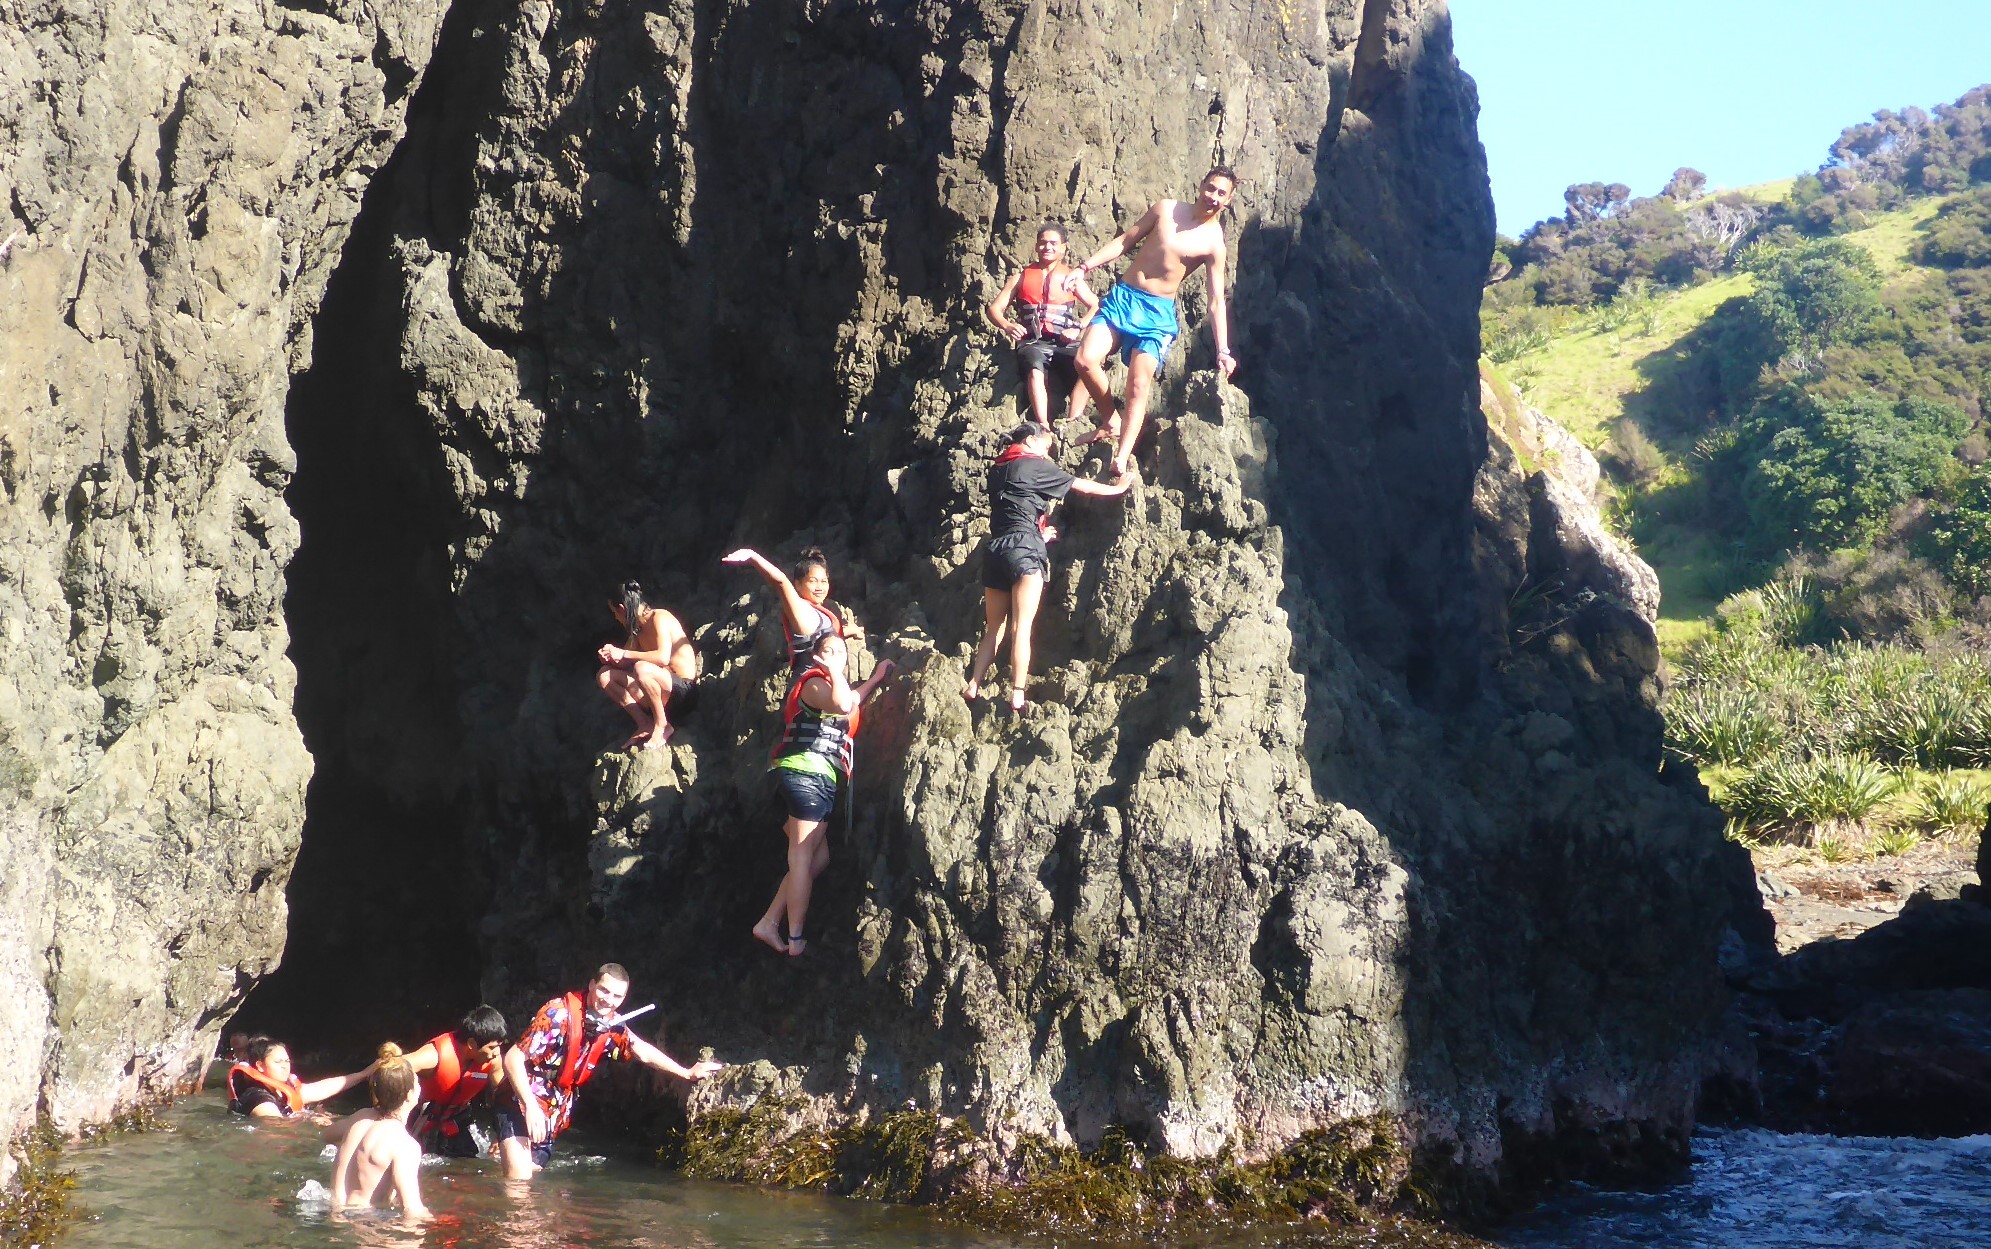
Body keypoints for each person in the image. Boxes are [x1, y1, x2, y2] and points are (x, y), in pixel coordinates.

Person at [1063, 166, 1240, 475]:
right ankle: (1111, 420)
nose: (1213, 197)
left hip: (1157, 314)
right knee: (1085, 359)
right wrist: (1084, 267)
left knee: (1138, 383)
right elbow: (1125, 241)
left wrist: (1223, 350)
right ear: (1201, 185)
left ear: (1229, 199)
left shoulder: (1214, 243)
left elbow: (1215, 301)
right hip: (1124, 298)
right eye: (1210, 188)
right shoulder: (1166, 209)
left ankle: (1122, 455)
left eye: (1221, 193)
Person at [963, 425, 1132, 712]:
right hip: (1025, 551)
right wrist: (1118, 488)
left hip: (996, 550)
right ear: (1030, 441)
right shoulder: (1035, 465)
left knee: (994, 628)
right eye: (1047, 447)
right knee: (1021, 627)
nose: (1048, 453)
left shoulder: (997, 470)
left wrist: (1035, 533)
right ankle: (1017, 693)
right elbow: (1081, 485)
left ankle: (974, 684)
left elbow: (1015, 510)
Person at [496, 965, 722, 1180]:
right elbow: (513, 1058)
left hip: (552, 1113)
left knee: (528, 1181)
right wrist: (531, 1107)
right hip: (521, 1102)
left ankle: (498, 1154)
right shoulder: (557, 1014)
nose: (608, 1000)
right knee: (519, 1182)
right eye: (604, 990)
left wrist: (686, 1073)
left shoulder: (612, 1025)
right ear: (592, 985)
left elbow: (641, 1051)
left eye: (617, 996)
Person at [753, 633, 895, 956]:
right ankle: (796, 940)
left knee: (820, 858)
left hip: (820, 780)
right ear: (817, 657)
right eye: (827, 651)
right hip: (804, 774)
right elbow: (843, 703)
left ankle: (769, 922)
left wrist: (875, 679)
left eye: (841, 652)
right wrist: (831, 668)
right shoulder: (815, 684)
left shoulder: (834, 687)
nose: (835, 656)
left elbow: (851, 700)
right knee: (802, 857)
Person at [986, 223, 1100, 430]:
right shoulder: (1020, 277)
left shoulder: (1070, 278)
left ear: (1063, 248)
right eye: (1043, 243)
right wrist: (1007, 326)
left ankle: (1073, 420)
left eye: (1053, 243)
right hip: (1033, 341)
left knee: (1090, 365)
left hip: (1064, 341)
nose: (1048, 247)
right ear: (1037, 246)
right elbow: (994, 309)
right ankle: (1043, 424)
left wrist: (1078, 327)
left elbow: (1096, 305)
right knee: (1035, 366)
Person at [330, 1043, 429, 1219]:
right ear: (409, 1094)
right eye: (417, 1083)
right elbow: (412, 1209)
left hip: (333, 1214)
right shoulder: (404, 1145)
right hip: (365, 1227)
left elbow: (326, 1135)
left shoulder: (358, 1120)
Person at [597, 581, 700, 751]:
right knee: (604, 675)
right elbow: (623, 662)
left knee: (641, 668)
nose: (615, 618)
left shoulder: (660, 617)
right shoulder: (636, 632)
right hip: (659, 695)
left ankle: (662, 725)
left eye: (614, 612)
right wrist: (610, 656)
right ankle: (645, 724)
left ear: (622, 608)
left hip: (683, 692)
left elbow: (662, 658)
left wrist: (623, 654)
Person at [401, 1005, 508, 1157]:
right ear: (472, 1044)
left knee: (470, 1165)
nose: (496, 1053)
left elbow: (502, 1099)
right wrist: (358, 1076)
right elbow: (391, 1067)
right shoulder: (434, 1055)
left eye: (498, 1046)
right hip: (420, 1118)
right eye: (491, 1047)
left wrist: (501, 1136)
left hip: (455, 1122)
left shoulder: (494, 1061)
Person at [721, 546, 846, 674]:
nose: (819, 587)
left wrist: (850, 630)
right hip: (811, 682)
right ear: (797, 584)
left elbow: (823, 636)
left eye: (824, 581)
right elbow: (781, 582)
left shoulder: (819, 612)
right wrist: (753, 556)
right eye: (813, 581)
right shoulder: (800, 608)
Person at [226, 1036, 375, 1119]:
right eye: (278, 1062)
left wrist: (364, 1074)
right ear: (260, 1066)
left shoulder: (285, 1087)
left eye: (287, 1061)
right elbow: (276, 1127)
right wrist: (312, 1119)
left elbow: (325, 1087)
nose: (285, 1066)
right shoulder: (258, 1098)